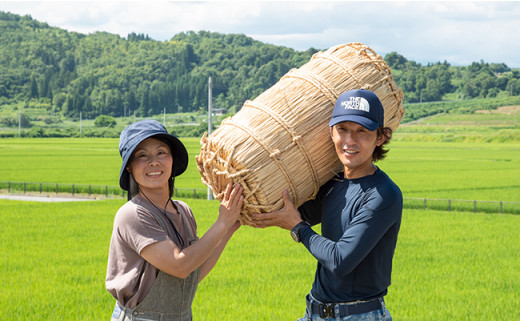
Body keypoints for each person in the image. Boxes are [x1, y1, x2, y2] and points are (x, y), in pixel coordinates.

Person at [252, 89, 403, 321]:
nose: (349, 141)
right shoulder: (333, 183)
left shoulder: (383, 195)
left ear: (380, 138)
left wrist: (298, 228)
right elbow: (293, 212)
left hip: (358, 315)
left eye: (361, 131)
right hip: (313, 312)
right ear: (331, 132)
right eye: (342, 130)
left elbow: (339, 261)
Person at [106, 119, 244, 321]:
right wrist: (221, 223)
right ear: (129, 167)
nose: (154, 161)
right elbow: (180, 266)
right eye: (142, 155)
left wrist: (228, 229)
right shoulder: (133, 214)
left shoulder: (183, 211)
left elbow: (194, 272)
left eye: (161, 152)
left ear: (171, 159)